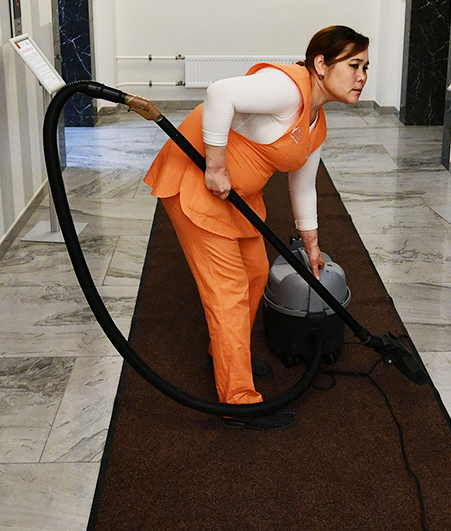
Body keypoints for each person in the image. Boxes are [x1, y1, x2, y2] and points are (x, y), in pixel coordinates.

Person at [143, 26, 370, 430]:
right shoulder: (287, 89)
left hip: (237, 196)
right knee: (228, 292)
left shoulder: (316, 121)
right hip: (198, 183)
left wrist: (312, 245)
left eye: (366, 67)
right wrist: (214, 167)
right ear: (321, 64)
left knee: (256, 274)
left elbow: (303, 185)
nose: (362, 76)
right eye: (354, 65)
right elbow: (219, 94)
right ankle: (238, 403)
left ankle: (227, 353)